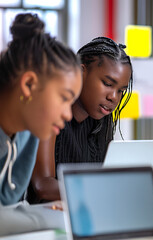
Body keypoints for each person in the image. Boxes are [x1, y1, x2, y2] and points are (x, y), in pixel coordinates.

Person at [0, 13, 82, 235]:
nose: (68, 114)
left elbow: (9, 206)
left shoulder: (27, 132)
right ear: (28, 84)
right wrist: (48, 220)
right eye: (64, 98)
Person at [29, 37, 133, 202]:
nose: (113, 97)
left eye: (121, 90)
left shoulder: (103, 119)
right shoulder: (50, 111)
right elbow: (43, 186)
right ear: (81, 72)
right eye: (107, 83)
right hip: (44, 216)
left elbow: (101, 178)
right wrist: (99, 190)